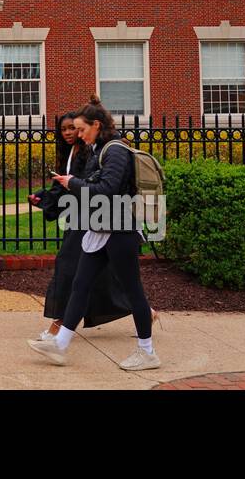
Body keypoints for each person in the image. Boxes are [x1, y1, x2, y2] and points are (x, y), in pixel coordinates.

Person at [29, 95, 160, 371]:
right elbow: (92, 183)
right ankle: (60, 344)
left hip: (120, 231)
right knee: (81, 284)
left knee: (133, 290)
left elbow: (107, 189)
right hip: (99, 228)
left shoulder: (115, 150)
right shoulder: (98, 149)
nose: (78, 134)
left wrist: (73, 182)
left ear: (96, 125)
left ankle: (147, 351)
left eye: (82, 129)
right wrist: (71, 184)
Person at [29, 112, 134, 342]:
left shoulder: (91, 151)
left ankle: (58, 326)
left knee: (68, 268)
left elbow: (92, 185)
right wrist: (43, 197)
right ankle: (143, 311)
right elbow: (65, 187)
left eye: (73, 128)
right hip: (80, 215)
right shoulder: (72, 152)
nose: (68, 132)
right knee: (96, 274)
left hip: (91, 216)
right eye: (63, 129)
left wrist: (69, 186)